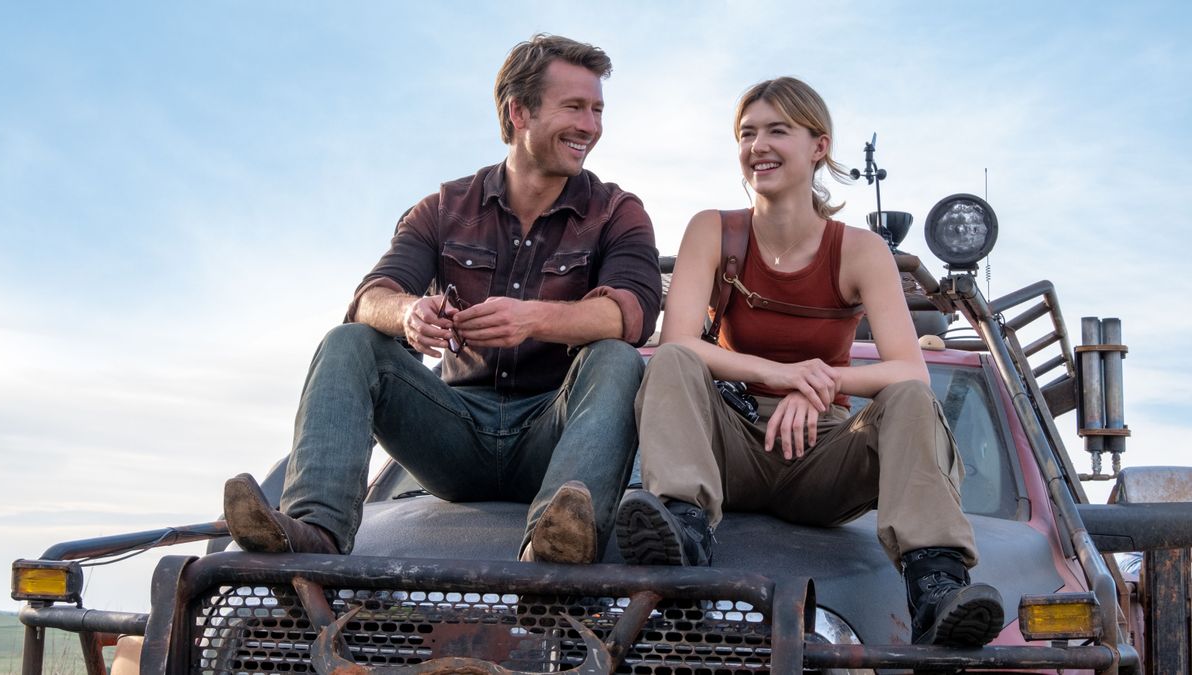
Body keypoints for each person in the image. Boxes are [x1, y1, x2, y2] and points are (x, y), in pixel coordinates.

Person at [223, 34, 661, 566]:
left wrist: (532, 319)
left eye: (597, 110)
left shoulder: (617, 211)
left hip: (554, 429)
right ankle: (315, 529)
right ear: (518, 112)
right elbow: (370, 298)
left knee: (617, 356)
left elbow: (633, 313)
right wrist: (408, 313)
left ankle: (556, 544)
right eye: (574, 107)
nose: (590, 126)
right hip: (454, 433)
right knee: (348, 341)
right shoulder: (443, 208)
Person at [614, 77, 1004, 647]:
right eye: (747, 134)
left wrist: (817, 384)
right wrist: (778, 374)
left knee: (910, 400)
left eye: (777, 131)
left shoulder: (860, 250)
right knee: (672, 360)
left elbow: (910, 370)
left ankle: (935, 584)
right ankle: (684, 527)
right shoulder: (713, 231)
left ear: (819, 146)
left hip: (822, 456)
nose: (758, 146)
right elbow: (677, 342)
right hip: (728, 445)